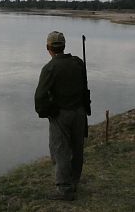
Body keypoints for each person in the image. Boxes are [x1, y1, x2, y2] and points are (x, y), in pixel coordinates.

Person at [34, 31, 88, 201]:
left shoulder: (50, 68)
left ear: (48, 47)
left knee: (61, 151)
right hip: (80, 113)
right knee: (77, 148)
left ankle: (65, 190)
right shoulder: (78, 62)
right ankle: (74, 182)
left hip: (61, 114)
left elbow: (40, 97)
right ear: (64, 46)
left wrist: (46, 112)